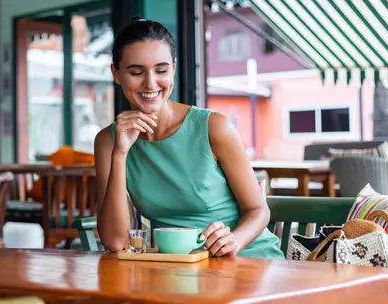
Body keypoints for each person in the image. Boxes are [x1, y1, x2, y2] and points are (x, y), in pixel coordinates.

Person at [94, 17, 284, 259]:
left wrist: (234, 241)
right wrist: (120, 153)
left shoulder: (213, 127)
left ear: (173, 68)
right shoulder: (108, 142)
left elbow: (258, 210)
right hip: (182, 271)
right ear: (116, 74)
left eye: (161, 70)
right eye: (136, 72)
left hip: (247, 260)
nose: (151, 83)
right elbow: (115, 241)